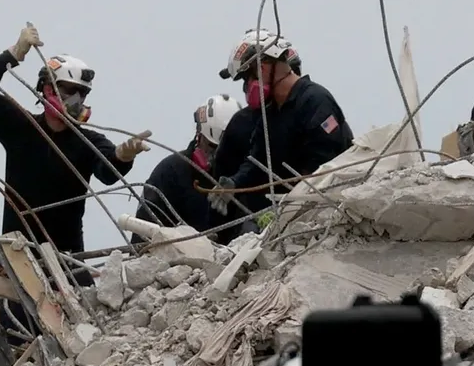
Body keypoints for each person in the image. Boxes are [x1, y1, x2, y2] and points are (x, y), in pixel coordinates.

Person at [0, 24, 152, 342]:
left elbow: (109, 170)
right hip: (20, 257)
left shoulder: (87, 141)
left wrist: (124, 155)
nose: (75, 100)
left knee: (85, 330)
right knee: (21, 334)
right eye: (68, 90)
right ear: (47, 90)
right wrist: (13, 54)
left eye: (82, 94)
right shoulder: (21, 127)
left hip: (67, 260)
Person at [209, 30, 354, 218]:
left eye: (247, 78)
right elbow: (258, 161)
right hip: (289, 213)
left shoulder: (315, 101)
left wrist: (290, 207)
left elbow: (323, 168)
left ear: (262, 68)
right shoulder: (271, 112)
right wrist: (233, 184)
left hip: (328, 209)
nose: (247, 86)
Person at [213, 32, 303, 239]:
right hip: (250, 231)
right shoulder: (241, 125)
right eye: (247, 78)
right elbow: (228, 176)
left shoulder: (312, 107)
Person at [132, 93, 242, 239]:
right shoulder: (170, 172)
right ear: (199, 134)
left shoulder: (244, 176)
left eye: (227, 148)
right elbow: (143, 234)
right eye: (213, 146)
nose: (219, 155)